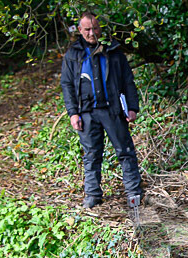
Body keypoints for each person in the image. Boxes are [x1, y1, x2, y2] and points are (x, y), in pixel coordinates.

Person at [60, 11, 143, 209]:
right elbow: (67, 85)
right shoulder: (73, 55)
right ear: (79, 30)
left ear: (100, 28)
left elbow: (128, 81)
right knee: (91, 155)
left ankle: (133, 193)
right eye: (87, 29)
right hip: (86, 113)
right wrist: (73, 113)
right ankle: (93, 195)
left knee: (125, 151)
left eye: (95, 28)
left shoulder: (113, 50)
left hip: (113, 110)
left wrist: (132, 107)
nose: (91, 33)